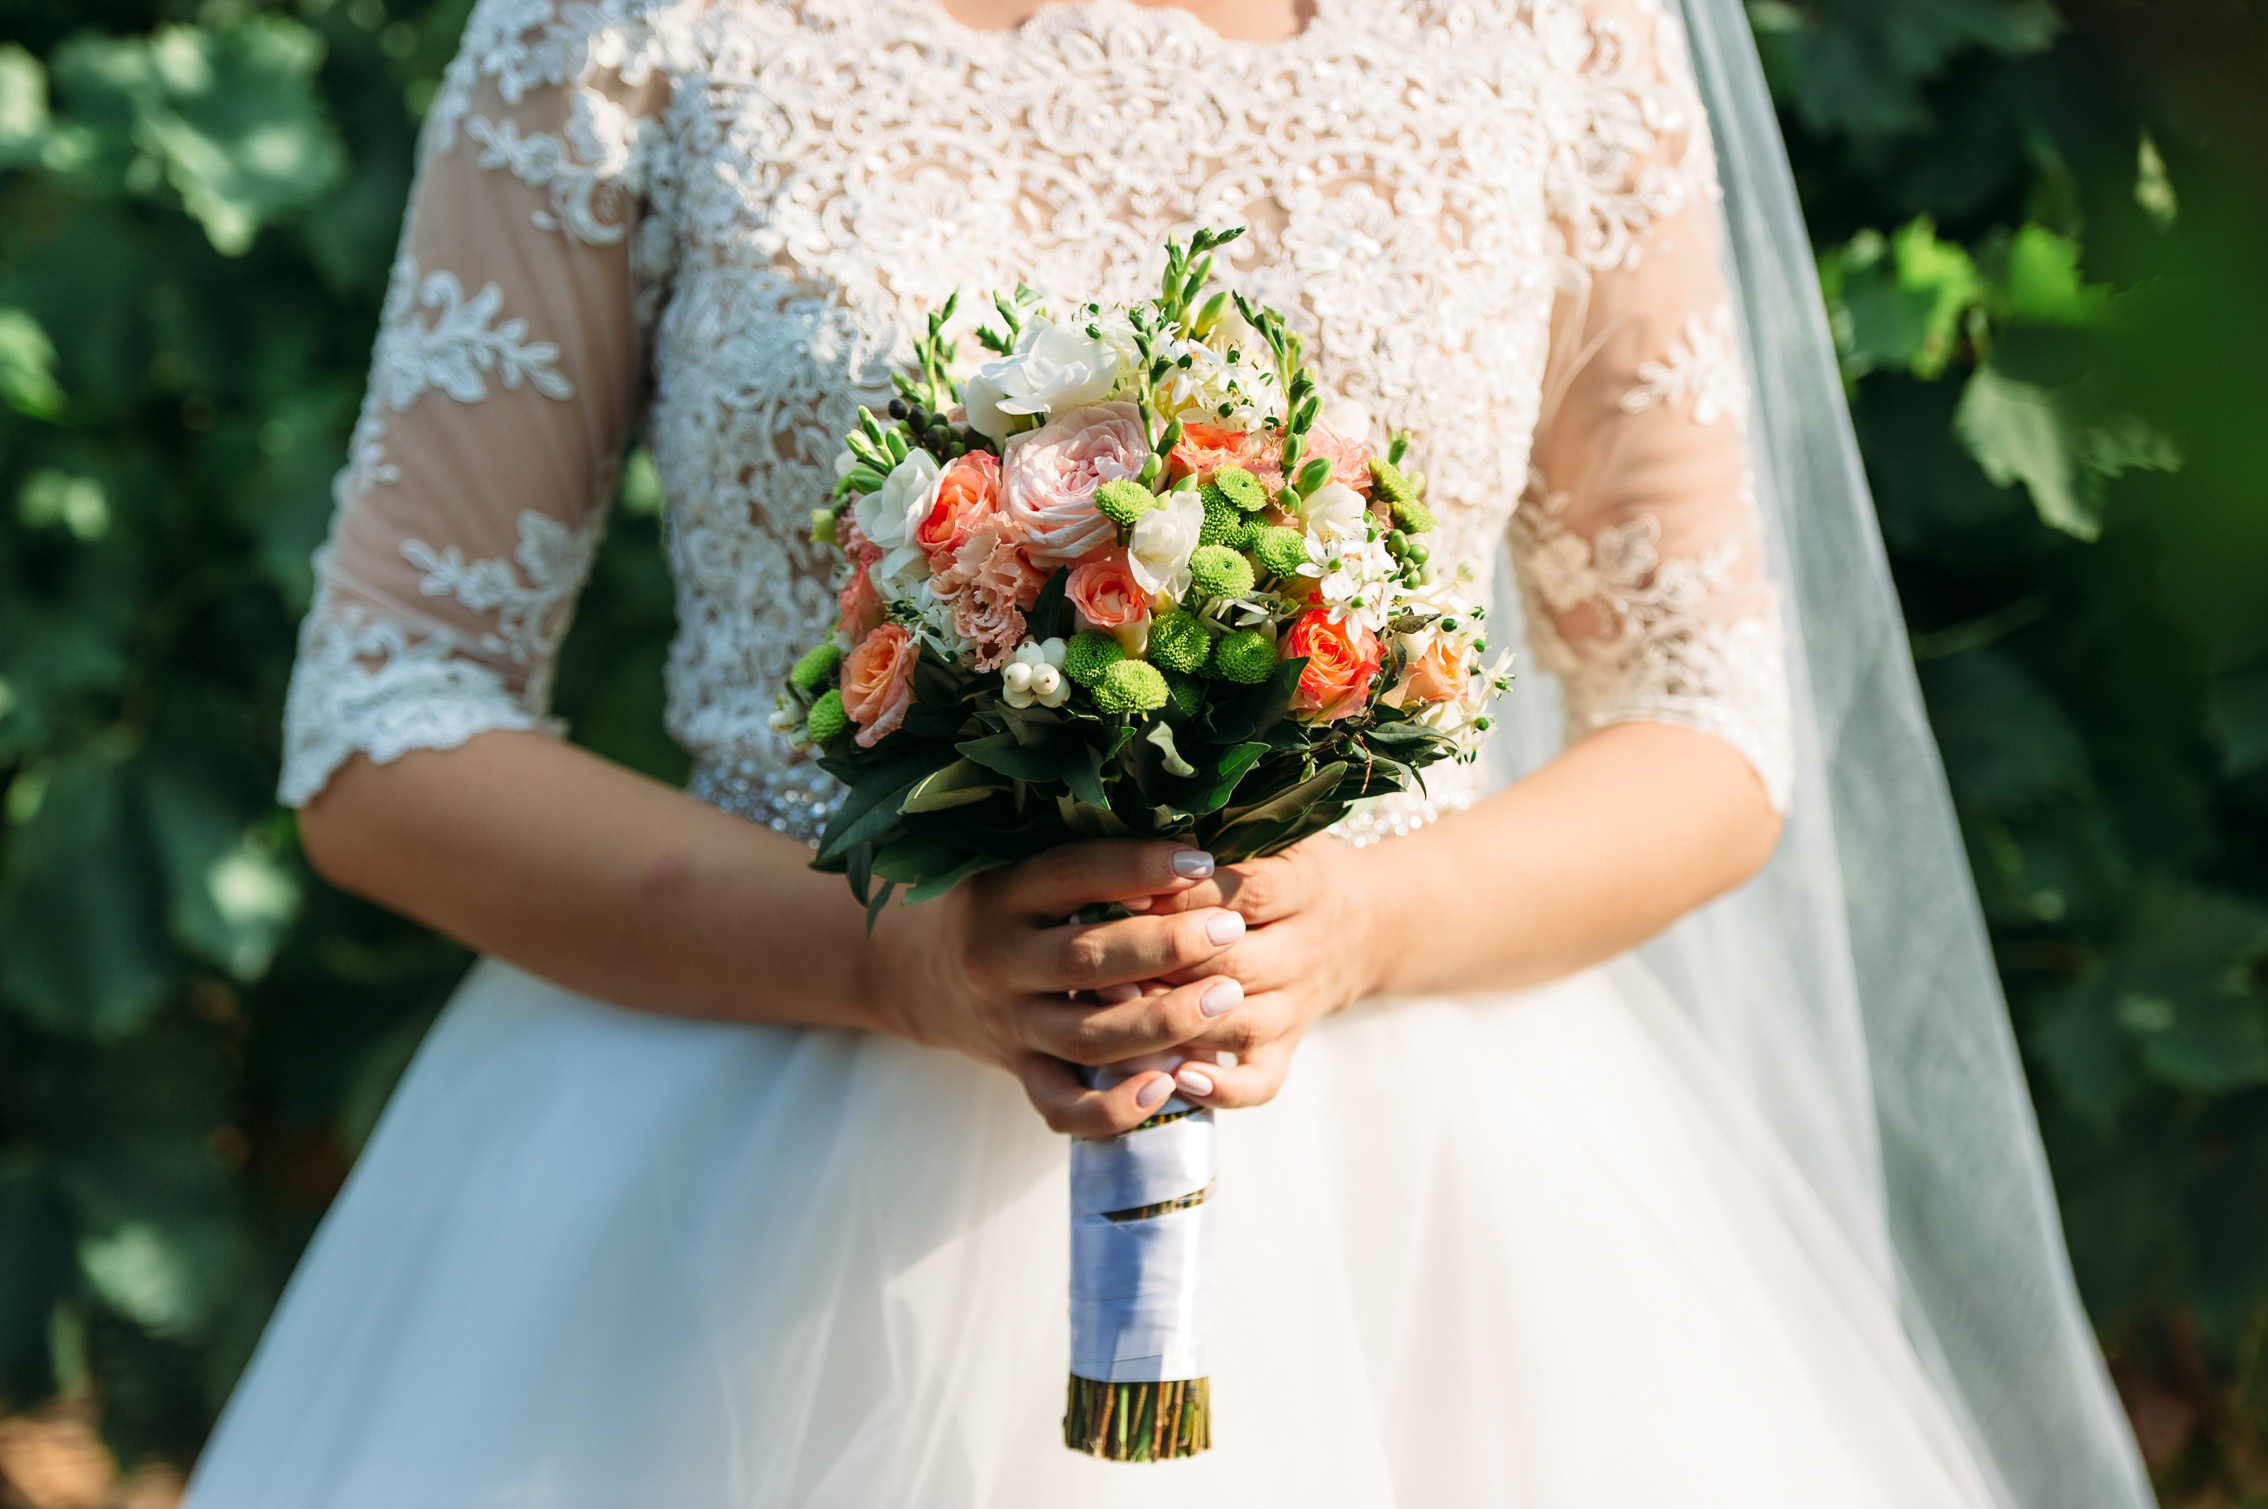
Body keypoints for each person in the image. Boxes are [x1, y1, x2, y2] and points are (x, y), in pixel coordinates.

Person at [186, 0, 2152, 1502]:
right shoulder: (622, 25)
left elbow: (1705, 727)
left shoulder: (1556, 28)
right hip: (741, 1160)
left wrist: (1364, 923)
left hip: (1431, 1200)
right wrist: (892, 957)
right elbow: (388, 721)